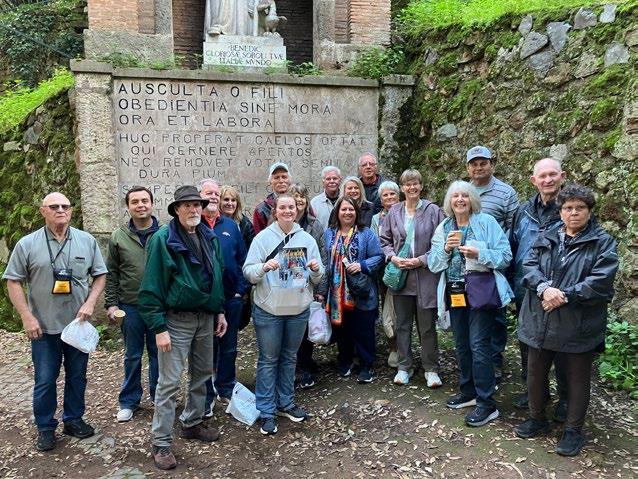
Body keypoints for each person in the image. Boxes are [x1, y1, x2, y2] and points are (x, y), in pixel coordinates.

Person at [515, 184, 618, 457]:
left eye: (580, 208)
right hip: (539, 319)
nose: (574, 213)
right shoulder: (546, 237)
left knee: (576, 379)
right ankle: (537, 418)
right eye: (568, 208)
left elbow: (600, 281)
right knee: (535, 374)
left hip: (578, 324)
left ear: (589, 211)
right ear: (560, 211)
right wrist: (544, 289)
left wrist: (564, 296)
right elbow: (528, 266)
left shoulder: (602, 242)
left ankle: (573, 430)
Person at [3, 192, 107, 451]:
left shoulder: (86, 241)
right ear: (43, 211)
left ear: (71, 210)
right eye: (54, 206)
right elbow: (13, 281)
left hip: (77, 326)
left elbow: (100, 275)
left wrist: (91, 302)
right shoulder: (27, 244)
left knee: (77, 376)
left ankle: (73, 420)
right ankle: (46, 427)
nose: (61, 210)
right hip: (43, 327)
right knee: (45, 379)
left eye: (65, 206)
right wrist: (27, 317)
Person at [138, 185, 227, 470]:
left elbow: (216, 277)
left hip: (205, 317)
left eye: (197, 205)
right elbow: (151, 286)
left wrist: (219, 310)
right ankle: (161, 442)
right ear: (177, 209)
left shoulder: (208, 236)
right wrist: (159, 327)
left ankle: (192, 422)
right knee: (169, 382)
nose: (193, 209)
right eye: (187, 205)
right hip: (176, 320)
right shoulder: (163, 239)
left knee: (202, 375)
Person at [428, 181, 513, 427]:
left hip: (481, 293)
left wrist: (479, 254)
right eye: (455, 196)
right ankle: (468, 392)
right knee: (462, 344)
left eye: (465, 195)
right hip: (455, 293)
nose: (460, 200)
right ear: (449, 201)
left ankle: (487, 403)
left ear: (472, 199)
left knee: (478, 345)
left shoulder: (486, 222)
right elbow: (434, 264)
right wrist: (445, 249)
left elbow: (505, 256)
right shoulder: (444, 227)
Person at [243, 194, 324, 435]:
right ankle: (266, 410)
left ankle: (285, 403)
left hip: (298, 309)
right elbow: (248, 271)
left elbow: (317, 276)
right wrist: (263, 267)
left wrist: (316, 270)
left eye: (291, 207)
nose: (288, 211)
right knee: (268, 359)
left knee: (289, 358)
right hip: (269, 310)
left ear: (297, 210)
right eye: (283, 207)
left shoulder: (307, 239)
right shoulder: (262, 238)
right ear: (275, 211)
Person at [509, 158, 568, 412]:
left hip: (559, 290)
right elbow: (512, 246)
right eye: (542, 176)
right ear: (534, 181)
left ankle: (566, 398)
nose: (548, 180)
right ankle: (535, 392)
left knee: (563, 346)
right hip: (526, 289)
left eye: (553, 174)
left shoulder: (571, 208)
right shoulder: (523, 211)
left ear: (562, 176)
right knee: (528, 342)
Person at [379, 170, 444, 388]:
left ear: (421, 186)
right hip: (402, 277)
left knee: (427, 326)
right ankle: (404, 367)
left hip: (425, 276)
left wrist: (421, 260)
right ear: (402, 188)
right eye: (407, 184)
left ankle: (431, 369)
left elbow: (441, 243)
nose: (412, 187)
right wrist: (393, 257)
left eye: (415, 183)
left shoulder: (433, 211)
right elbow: (384, 240)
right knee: (403, 325)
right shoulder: (394, 212)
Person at [105, 186, 160, 423]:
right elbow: (111, 273)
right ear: (128, 207)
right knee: (132, 355)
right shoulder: (118, 236)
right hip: (130, 306)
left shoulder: (165, 233)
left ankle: (159, 398)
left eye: (144, 201)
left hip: (158, 307)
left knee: (159, 354)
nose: (140, 205)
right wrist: (111, 304)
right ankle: (129, 401)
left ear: (152, 203)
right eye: (135, 202)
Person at [465, 145, 518, 382]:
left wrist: (492, 252)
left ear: (491, 164)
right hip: (468, 265)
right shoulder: (463, 191)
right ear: (468, 168)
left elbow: (513, 227)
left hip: (494, 264)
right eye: (474, 164)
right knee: (471, 311)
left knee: (495, 312)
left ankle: (495, 360)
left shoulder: (505, 192)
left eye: (483, 163)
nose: (479, 168)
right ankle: (476, 359)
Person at [200, 179, 250, 410]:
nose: (213, 197)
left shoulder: (230, 225)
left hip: (231, 298)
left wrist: (240, 290)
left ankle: (226, 387)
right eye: (208, 193)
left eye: (216, 194)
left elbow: (242, 259)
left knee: (229, 347)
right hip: (203, 301)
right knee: (204, 348)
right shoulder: (194, 225)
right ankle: (205, 393)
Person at [325, 196, 384, 384]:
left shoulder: (366, 234)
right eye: (343, 209)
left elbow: (379, 256)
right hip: (337, 292)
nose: (347, 213)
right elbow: (325, 260)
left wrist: (362, 265)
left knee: (363, 329)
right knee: (342, 329)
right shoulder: (330, 233)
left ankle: (367, 365)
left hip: (361, 290)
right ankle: (345, 360)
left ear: (356, 212)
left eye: (351, 209)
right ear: (337, 212)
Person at [289, 183, 328, 389]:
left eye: (302, 196)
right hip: (285, 288)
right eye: (294, 196)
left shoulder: (315, 226)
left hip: (308, 286)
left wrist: (321, 290)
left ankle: (304, 366)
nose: (299, 200)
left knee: (305, 330)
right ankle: (290, 368)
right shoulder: (278, 224)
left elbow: (323, 258)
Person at [370, 180, 400, 368]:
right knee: (388, 310)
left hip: (407, 268)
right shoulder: (376, 219)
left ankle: (407, 348)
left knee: (405, 310)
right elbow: (376, 243)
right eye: (385, 195)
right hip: (385, 271)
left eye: (392, 194)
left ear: (398, 195)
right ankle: (393, 348)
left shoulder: (406, 212)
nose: (389, 198)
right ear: (381, 200)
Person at [253, 162, 292, 233]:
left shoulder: (300, 204)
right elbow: (259, 237)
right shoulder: (261, 210)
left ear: (289, 180)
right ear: (270, 182)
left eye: (284, 177)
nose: (281, 181)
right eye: (276, 177)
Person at [220, 184, 255, 250]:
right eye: (226, 199)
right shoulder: (213, 222)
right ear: (219, 202)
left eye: (233, 200)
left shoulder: (245, 223)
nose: (230, 203)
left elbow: (252, 249)